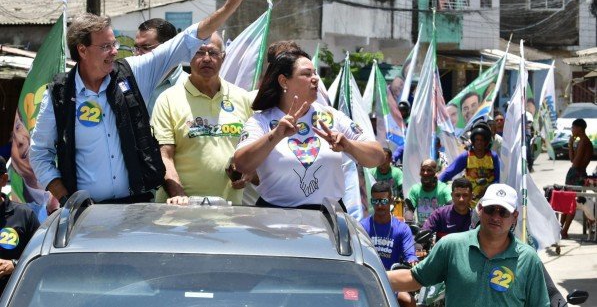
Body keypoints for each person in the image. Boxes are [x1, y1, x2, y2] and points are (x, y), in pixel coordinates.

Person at [29, 0, 250, 208]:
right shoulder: (60, 95)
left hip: (136, 208)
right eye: (106, 46)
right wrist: (66, 199)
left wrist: (228, 7)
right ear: (82, 50)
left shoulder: (131, 73)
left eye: (114, 44)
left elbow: (185, 41)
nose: (115, 52)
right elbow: (39, 154)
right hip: (86, 213)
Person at [234, 48, 385, 209]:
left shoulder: (332, 117)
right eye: (307, 74)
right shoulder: (261, 121)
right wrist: (274, 136)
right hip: (275, 220)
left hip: (328, 220)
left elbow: (378, 157)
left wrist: (349, 145)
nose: (315, 79)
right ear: (284, 81)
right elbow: (242, 164)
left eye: (315, 73)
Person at [387, 183, 550, 307]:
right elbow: (415, 278)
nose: (496, 217)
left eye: (503, 212)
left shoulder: (528, 259)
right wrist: (368, 276)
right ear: (479, 209)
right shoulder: (451, 246)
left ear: (514, 216)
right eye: (490, 209)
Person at [151, 32, 253, 206]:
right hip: (179, 212)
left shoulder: (243, 98)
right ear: (187, 56)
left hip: (229, 212)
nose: (206, 58)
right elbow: (164, 156)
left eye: (213, 53)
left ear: (223, 57)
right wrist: (179, 196)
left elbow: (252, 152)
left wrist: (248, 173)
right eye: (199, 52)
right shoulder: (168, 99)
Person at [360, 181, 417, 307]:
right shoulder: (362, 227)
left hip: (392, 281)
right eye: (375, 201)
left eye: (383, 201)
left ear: (391, 201)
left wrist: (412, 260)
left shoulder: (402, 229)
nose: (379, 206)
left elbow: (410, 255)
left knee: (409, 302)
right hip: (367, 280)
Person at [0, 157, 40, 295]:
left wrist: (14, 265)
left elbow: (40, 257)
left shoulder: (24, 215)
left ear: (3, 180)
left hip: (14, 297)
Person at [134, 18, 187, 115]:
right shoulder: (131, 81)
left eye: (145, 47)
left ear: (167, 48)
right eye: (136, 48)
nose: (138, 54)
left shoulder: (189, 86)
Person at [439, 121, 500, 206]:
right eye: (477, 140)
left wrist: (488, 190)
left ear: (486, 141)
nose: (479, 142)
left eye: (482, 140)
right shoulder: (466, 156)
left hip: (488, 199)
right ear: (473, 141)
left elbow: (498, 178)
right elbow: (450, 172)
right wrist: (437, 183)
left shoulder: (493, 156)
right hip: (469, 199)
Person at [560, 118, 594, 239]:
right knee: (566, 201)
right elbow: (572, 159)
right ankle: (561, 228)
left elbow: (576, 162)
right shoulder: (581, 141)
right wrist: (570, 144)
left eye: (573, 128)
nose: (572, 130)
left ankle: (564, 230)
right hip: (575, 172)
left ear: (579, 128)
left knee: (571, 203)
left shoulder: (584, 142)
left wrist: (572, 146)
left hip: (577, 174)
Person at [422, 177, 472, 241]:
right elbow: (424, 234)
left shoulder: (476, 218)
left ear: (471, 196)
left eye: (465, 195)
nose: (461, 199)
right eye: (457, 195)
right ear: (452, 195)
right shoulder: (439, 214)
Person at [406, 159, 452, 225]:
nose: (425, 173)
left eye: (429, 170)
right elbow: (409, 210)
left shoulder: (443, 189)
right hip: (421, 230)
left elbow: (451, 206)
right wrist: (409, 222)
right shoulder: (415, 189)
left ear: (435, 173)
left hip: (438, 229)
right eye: (423, 170)